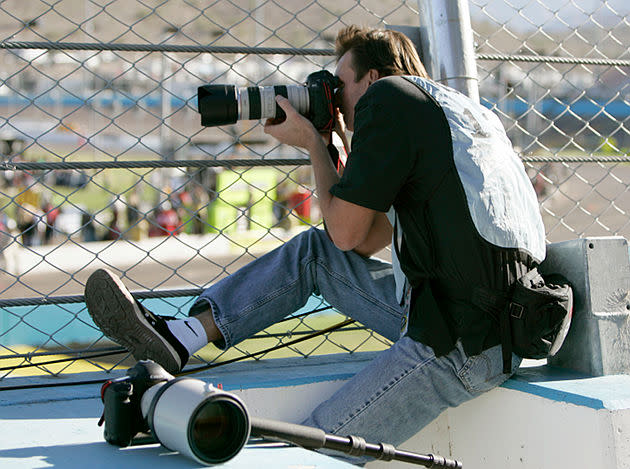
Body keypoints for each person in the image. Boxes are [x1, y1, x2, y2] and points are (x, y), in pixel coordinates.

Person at [85, 25, 545, 463]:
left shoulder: (389, 98)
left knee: (311, 447)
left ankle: (187, 341)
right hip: (471, 314)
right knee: (313, 254)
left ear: (372, 77)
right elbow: (359, 242)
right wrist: (333, 142)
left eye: (339, 88)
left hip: (460, 342)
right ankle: (180, 337)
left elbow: (345, 233)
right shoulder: (449, 112)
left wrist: (312, 143)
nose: (337, 104)